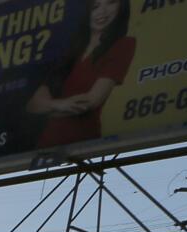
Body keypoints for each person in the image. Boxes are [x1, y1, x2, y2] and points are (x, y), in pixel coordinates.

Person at [27, 0, 134, 150]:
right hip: (46, 144)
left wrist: (48, 108)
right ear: (86, 12)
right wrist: (61, 104)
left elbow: (90, 101)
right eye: (95, 6)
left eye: (110, 3)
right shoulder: (71, 52)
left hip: (84, 142)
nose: (102, 12)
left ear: (121, 7)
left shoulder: (123, 45)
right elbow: (33, 104)